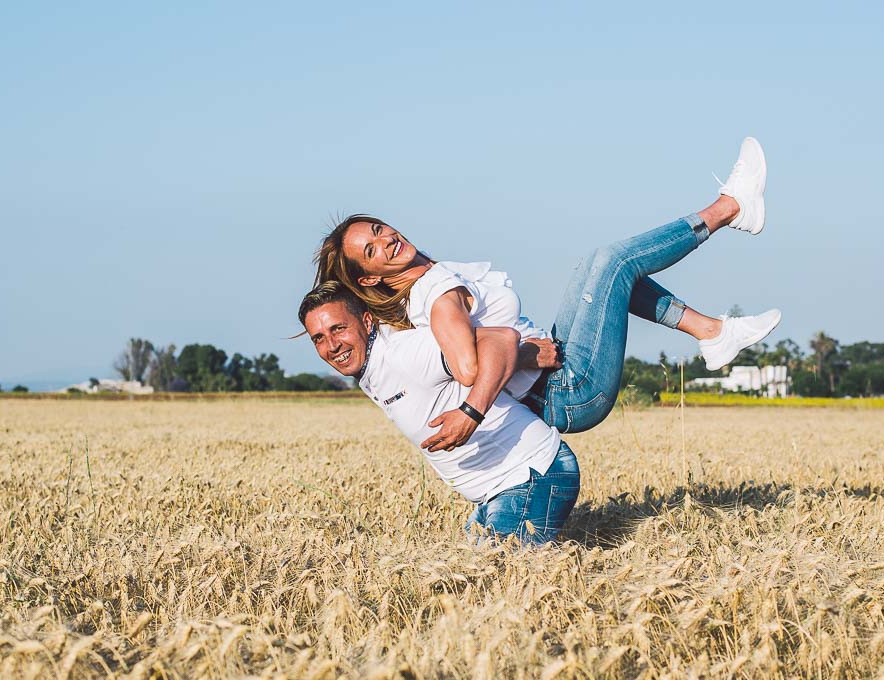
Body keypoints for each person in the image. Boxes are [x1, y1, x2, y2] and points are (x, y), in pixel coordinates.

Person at [315, 137, 782, 429]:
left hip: (554, 371)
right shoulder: (437, 295)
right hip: (567, 391)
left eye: (378, 229)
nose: (386, 240)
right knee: (611, 262)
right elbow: (465, 369)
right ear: (370, 275)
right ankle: (730, 208)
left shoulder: (430, 280)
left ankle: (714, 334)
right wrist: (520, 353)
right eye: (371, 250)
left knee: (595, 271)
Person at [299, 283, 579, 545]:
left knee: (498, 575)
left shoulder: (403, 353)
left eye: (339, 329)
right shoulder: (369, 369)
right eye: (319, 338)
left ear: (367, 321)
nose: (332, 345)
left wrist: (471, 412)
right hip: (495, 492)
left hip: (529, 474)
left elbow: (500, 339)